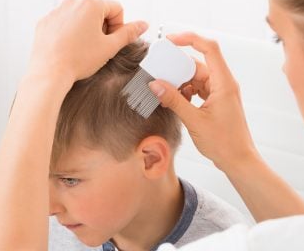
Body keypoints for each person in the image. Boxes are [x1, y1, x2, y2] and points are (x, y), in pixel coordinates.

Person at [0, 0, 304, 249]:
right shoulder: (63, 229)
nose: (45, 206)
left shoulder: (222, 239)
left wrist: (46, 73)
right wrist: (237, 157)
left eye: (280, 40)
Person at [47, 40, 246, 251]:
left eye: (69, 180)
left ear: (150, 159)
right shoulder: (54, 228)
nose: (48, 207)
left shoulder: (228, 243)